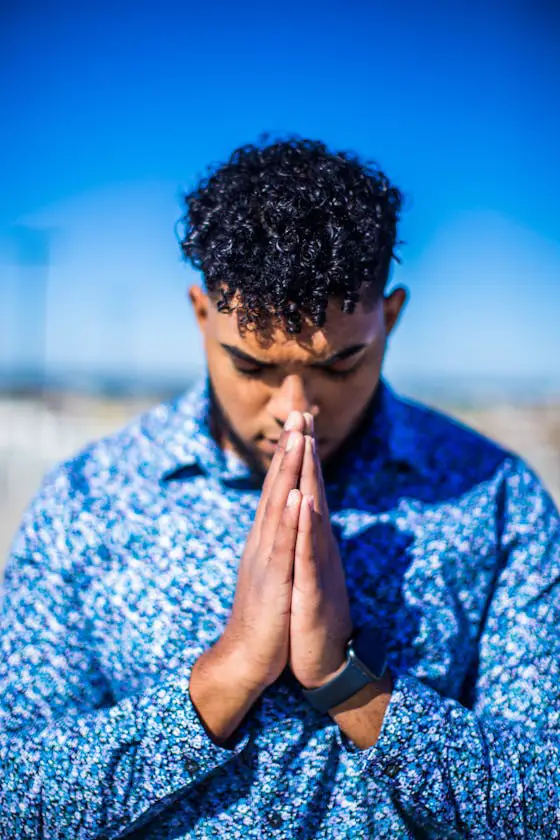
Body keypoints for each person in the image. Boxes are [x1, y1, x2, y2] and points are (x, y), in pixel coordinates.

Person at [0, 136, 558, 839]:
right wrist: (223, 678)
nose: (295, 410)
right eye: (252, 365)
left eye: (341, 364)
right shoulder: (89, 499)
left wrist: (351, 685)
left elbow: (548, 804)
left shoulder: (496, 498)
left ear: (391, 317)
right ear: (202, 316)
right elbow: (15, 799)